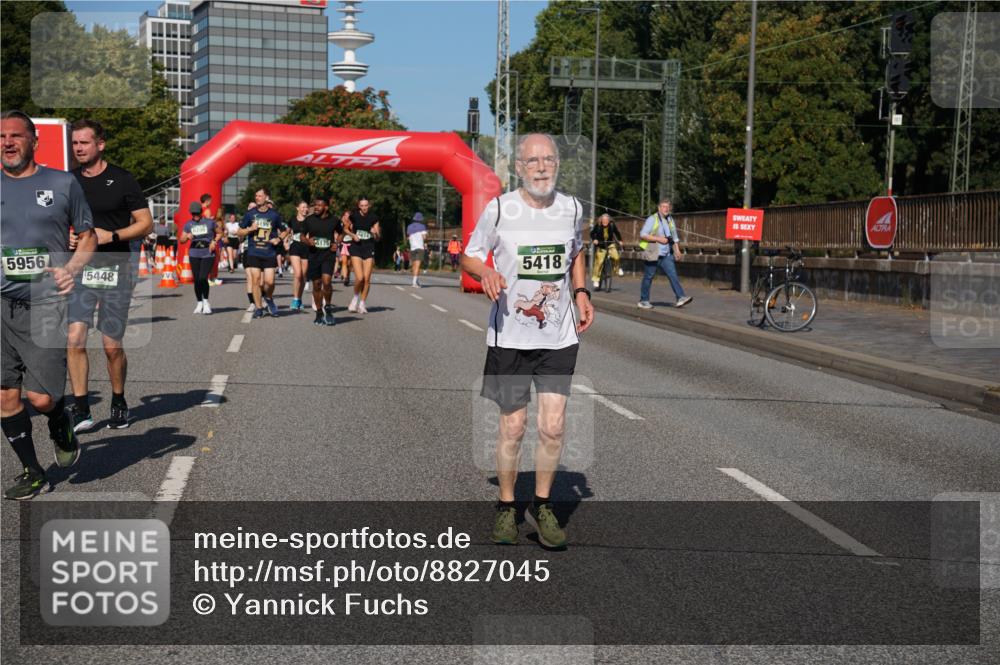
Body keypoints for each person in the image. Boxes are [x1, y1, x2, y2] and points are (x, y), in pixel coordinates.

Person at [461, 133, 594, 548]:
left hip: (559, 335)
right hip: (510, 335)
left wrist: (581, 292)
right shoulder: (500, 209)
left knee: (552, 427)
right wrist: (485, 271)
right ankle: (506, 506)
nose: (541, 167)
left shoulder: (572, 208)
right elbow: (469, 254)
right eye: (532, 160)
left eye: (548, 159)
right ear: (519, 168)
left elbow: (576, 252)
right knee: (514, 426)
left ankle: (543, 505)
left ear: (557, 164)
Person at [1, 110, 97, 499]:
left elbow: (88, 237)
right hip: (1, 304)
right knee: (5, 395)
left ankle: (59, 418)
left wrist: (71, 268)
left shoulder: (62, 183)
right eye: (1, 136)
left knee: (41, 399)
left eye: (15, 135)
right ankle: (33, 471)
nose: (7, 142)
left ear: (34, 141)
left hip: (46, 303)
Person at [66, 119, 153, 433]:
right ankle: (81, 408)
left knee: (110, 344)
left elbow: (146, 224)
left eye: (84, 143)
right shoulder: (68, 181)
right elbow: (59, 220)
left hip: (115, 267)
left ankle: (118, 399)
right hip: (82, 268)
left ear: (100, 144)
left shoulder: (123, 179)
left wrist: (112, 235)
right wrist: (68, 237)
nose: (78, 148)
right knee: (74, 338)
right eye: (75, 143)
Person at [238, 188, 287, 319]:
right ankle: (259, 308)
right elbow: (239, 231)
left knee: (269, 282)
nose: (257, 198)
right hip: (254, 252)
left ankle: (269, 298)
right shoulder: (250, 214)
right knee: (256, 281)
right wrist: (250, 229)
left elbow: (284, 230)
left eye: (260, 196)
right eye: (256, 196)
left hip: (269, 252)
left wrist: (278, 239)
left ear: (266, 198)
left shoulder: (274, 215)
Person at [637, 199, 692, 309]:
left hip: (666, 254)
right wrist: (658, 239)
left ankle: (680, 297)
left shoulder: (670, 219)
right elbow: (643, 234)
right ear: (659, 208)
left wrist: (677, 250)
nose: (666, 209)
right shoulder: (652, 219)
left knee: (673, 275)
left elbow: (674, 237)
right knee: (648, 277)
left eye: (668, 207)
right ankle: (643, 301)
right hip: (653, 253)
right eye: (663, 206)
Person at [304, 195, 342, 326]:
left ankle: (328, 308)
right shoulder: (309, 220)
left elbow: (342, 233)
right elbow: (301, 235)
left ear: (326, 207)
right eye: (315, 205)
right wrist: (308, 241)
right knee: (316, 284)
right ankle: (319, 312)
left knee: (326, 281)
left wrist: (337, 243)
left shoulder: (334, 220)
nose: (316, 207)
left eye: (319, 205)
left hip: (328, 255)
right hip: (314, 255)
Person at [179, 201, 220, 314]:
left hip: (207, 253)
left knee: (203, 278)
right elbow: (181, 240)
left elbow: (220, 233)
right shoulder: (188, 224)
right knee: (197, 279)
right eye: (193, 213)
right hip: (194, 253)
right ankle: (199, 302)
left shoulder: (210, 222)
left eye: (197, 213)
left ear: (201, 212)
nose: (195, 215)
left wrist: (214, 241)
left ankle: (206, 302)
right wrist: (187, 236)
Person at [344, 197, 380, 314]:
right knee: (359, 278)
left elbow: (378, 238)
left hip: (369, 248)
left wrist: (375, 233)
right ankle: (355, 299)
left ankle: (362, 303)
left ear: (369, 206)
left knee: (367, 279)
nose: (364, 208)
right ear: (359, 206)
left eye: (366, 205)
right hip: (356, 248)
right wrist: (353, 235)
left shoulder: (374, 218)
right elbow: (345, 229)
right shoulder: (354, 216)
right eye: (362, 205)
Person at [287, 200, 311, 310]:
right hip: (295, 247)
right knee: (298, 274)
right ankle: (295, 299)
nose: (305, 209)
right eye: (303, 207)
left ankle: (299, 298)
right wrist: (282, 240)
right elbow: (287, 231)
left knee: (304, 276)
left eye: (306, 207)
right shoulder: (292, 219)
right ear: (297, 208)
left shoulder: (310, 220)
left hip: (306, 248)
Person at [590, 213, 623, 288]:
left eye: (606, 220)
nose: (605, 222)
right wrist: (594, 239)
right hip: (601, 245)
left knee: (616, 257)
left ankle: (617, 269)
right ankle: (596, 279)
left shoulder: (612, 225)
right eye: (603, 220)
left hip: (610, 244)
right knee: (599, 262)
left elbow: (617, 232)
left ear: (609, 220)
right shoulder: (598, 225)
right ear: (601, 220)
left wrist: (620, 240)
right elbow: (592, 233)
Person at [406, 212, 428, 288]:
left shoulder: (409, 227)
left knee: (414, 265)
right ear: (421, 219)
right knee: (418, 265)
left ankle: (416, 281)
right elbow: (424, 237)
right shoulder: (422, 227)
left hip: (412, 247)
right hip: (419, 247)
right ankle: (414, 283)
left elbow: (408, 237)